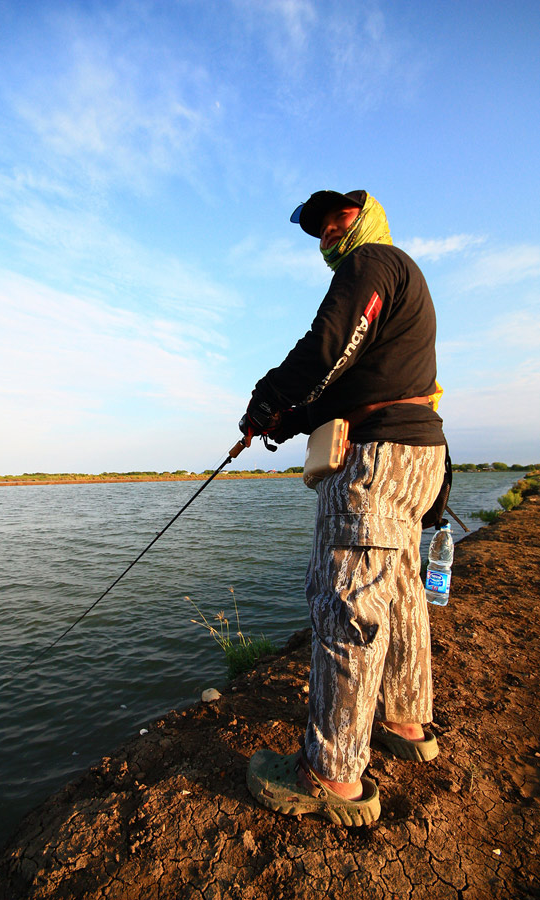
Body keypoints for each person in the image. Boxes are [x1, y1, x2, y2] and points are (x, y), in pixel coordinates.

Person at [240, 189, 446, 827]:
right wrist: (290, 416)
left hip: (378, 458)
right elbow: (347, 377)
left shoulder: (374, 264)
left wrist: (263, 397)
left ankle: (331, 773)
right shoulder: (397, 277)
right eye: (320, 230)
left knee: (347, 601)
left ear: (370, 216)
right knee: (402, 590)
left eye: (340, 218)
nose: (330, 233)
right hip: (419, 452)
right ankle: (407, 723)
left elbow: (325, 345)